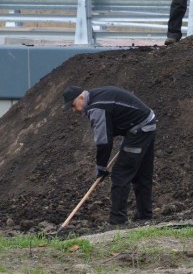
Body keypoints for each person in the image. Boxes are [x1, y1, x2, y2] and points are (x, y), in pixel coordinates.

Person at [63, 85, 157, 225]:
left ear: (81, 98)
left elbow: (103, 142)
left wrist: (101, 167)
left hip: (140, 129)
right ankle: (144, 216)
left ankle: (117, 220)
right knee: (142, 174)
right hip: (146, 125)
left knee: (121, 174)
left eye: (73, 105)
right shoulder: (97, 97)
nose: (74, 110)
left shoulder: (97, 108)